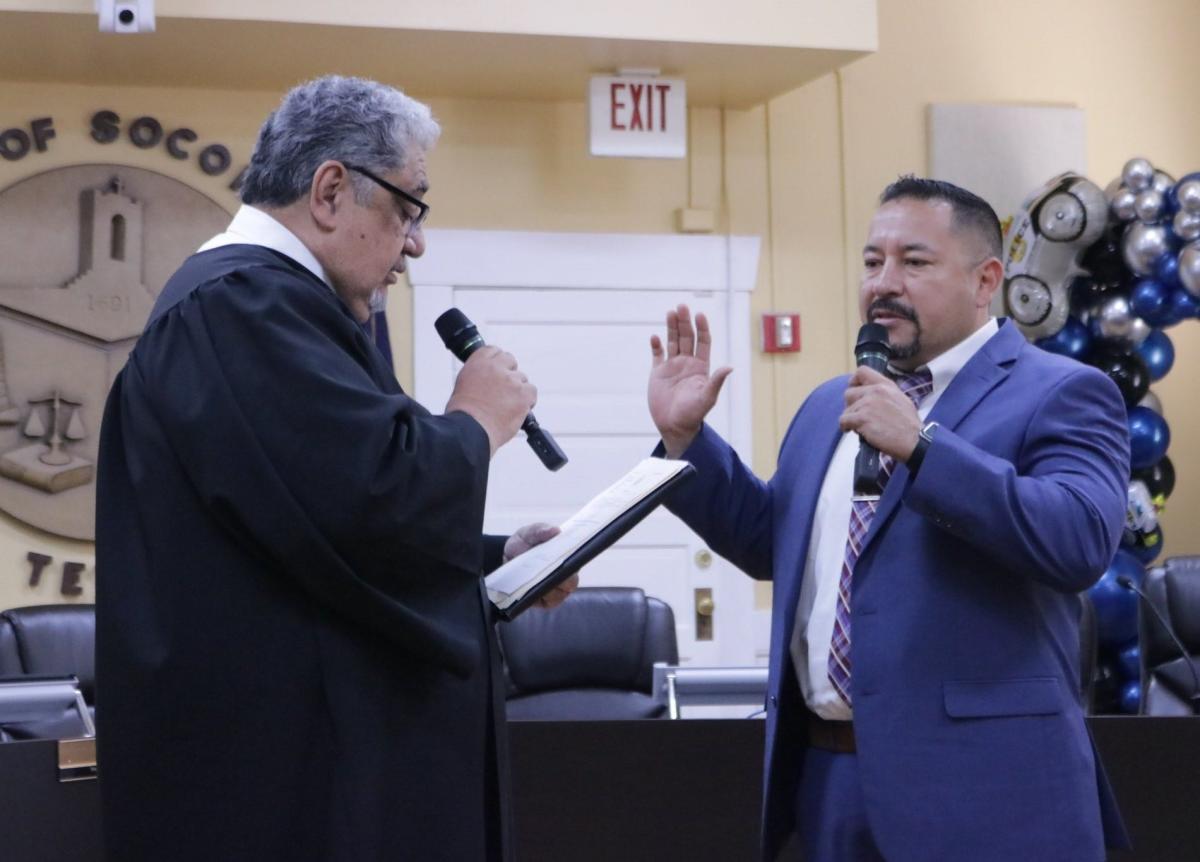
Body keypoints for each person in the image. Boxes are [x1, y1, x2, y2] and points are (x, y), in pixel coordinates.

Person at [96, 76, 571, 862]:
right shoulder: (244, 304)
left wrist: (494, 562)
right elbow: (377, 497)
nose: (415, 243)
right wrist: (479, 418)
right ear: (329, 192)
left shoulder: (265, 306)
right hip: (286, 795)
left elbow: (318, 531)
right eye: (410, 206)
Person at [647, 177, 1132, 862]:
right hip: (829, 781)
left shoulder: (1061, 391)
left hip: (989, 794)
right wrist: (687, 443)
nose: (883, 282)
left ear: (985, 279)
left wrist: (924, 449)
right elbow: (772, 543)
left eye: (915, 261)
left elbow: (1078, 540)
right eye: (873, 261)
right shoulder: (828, 405)